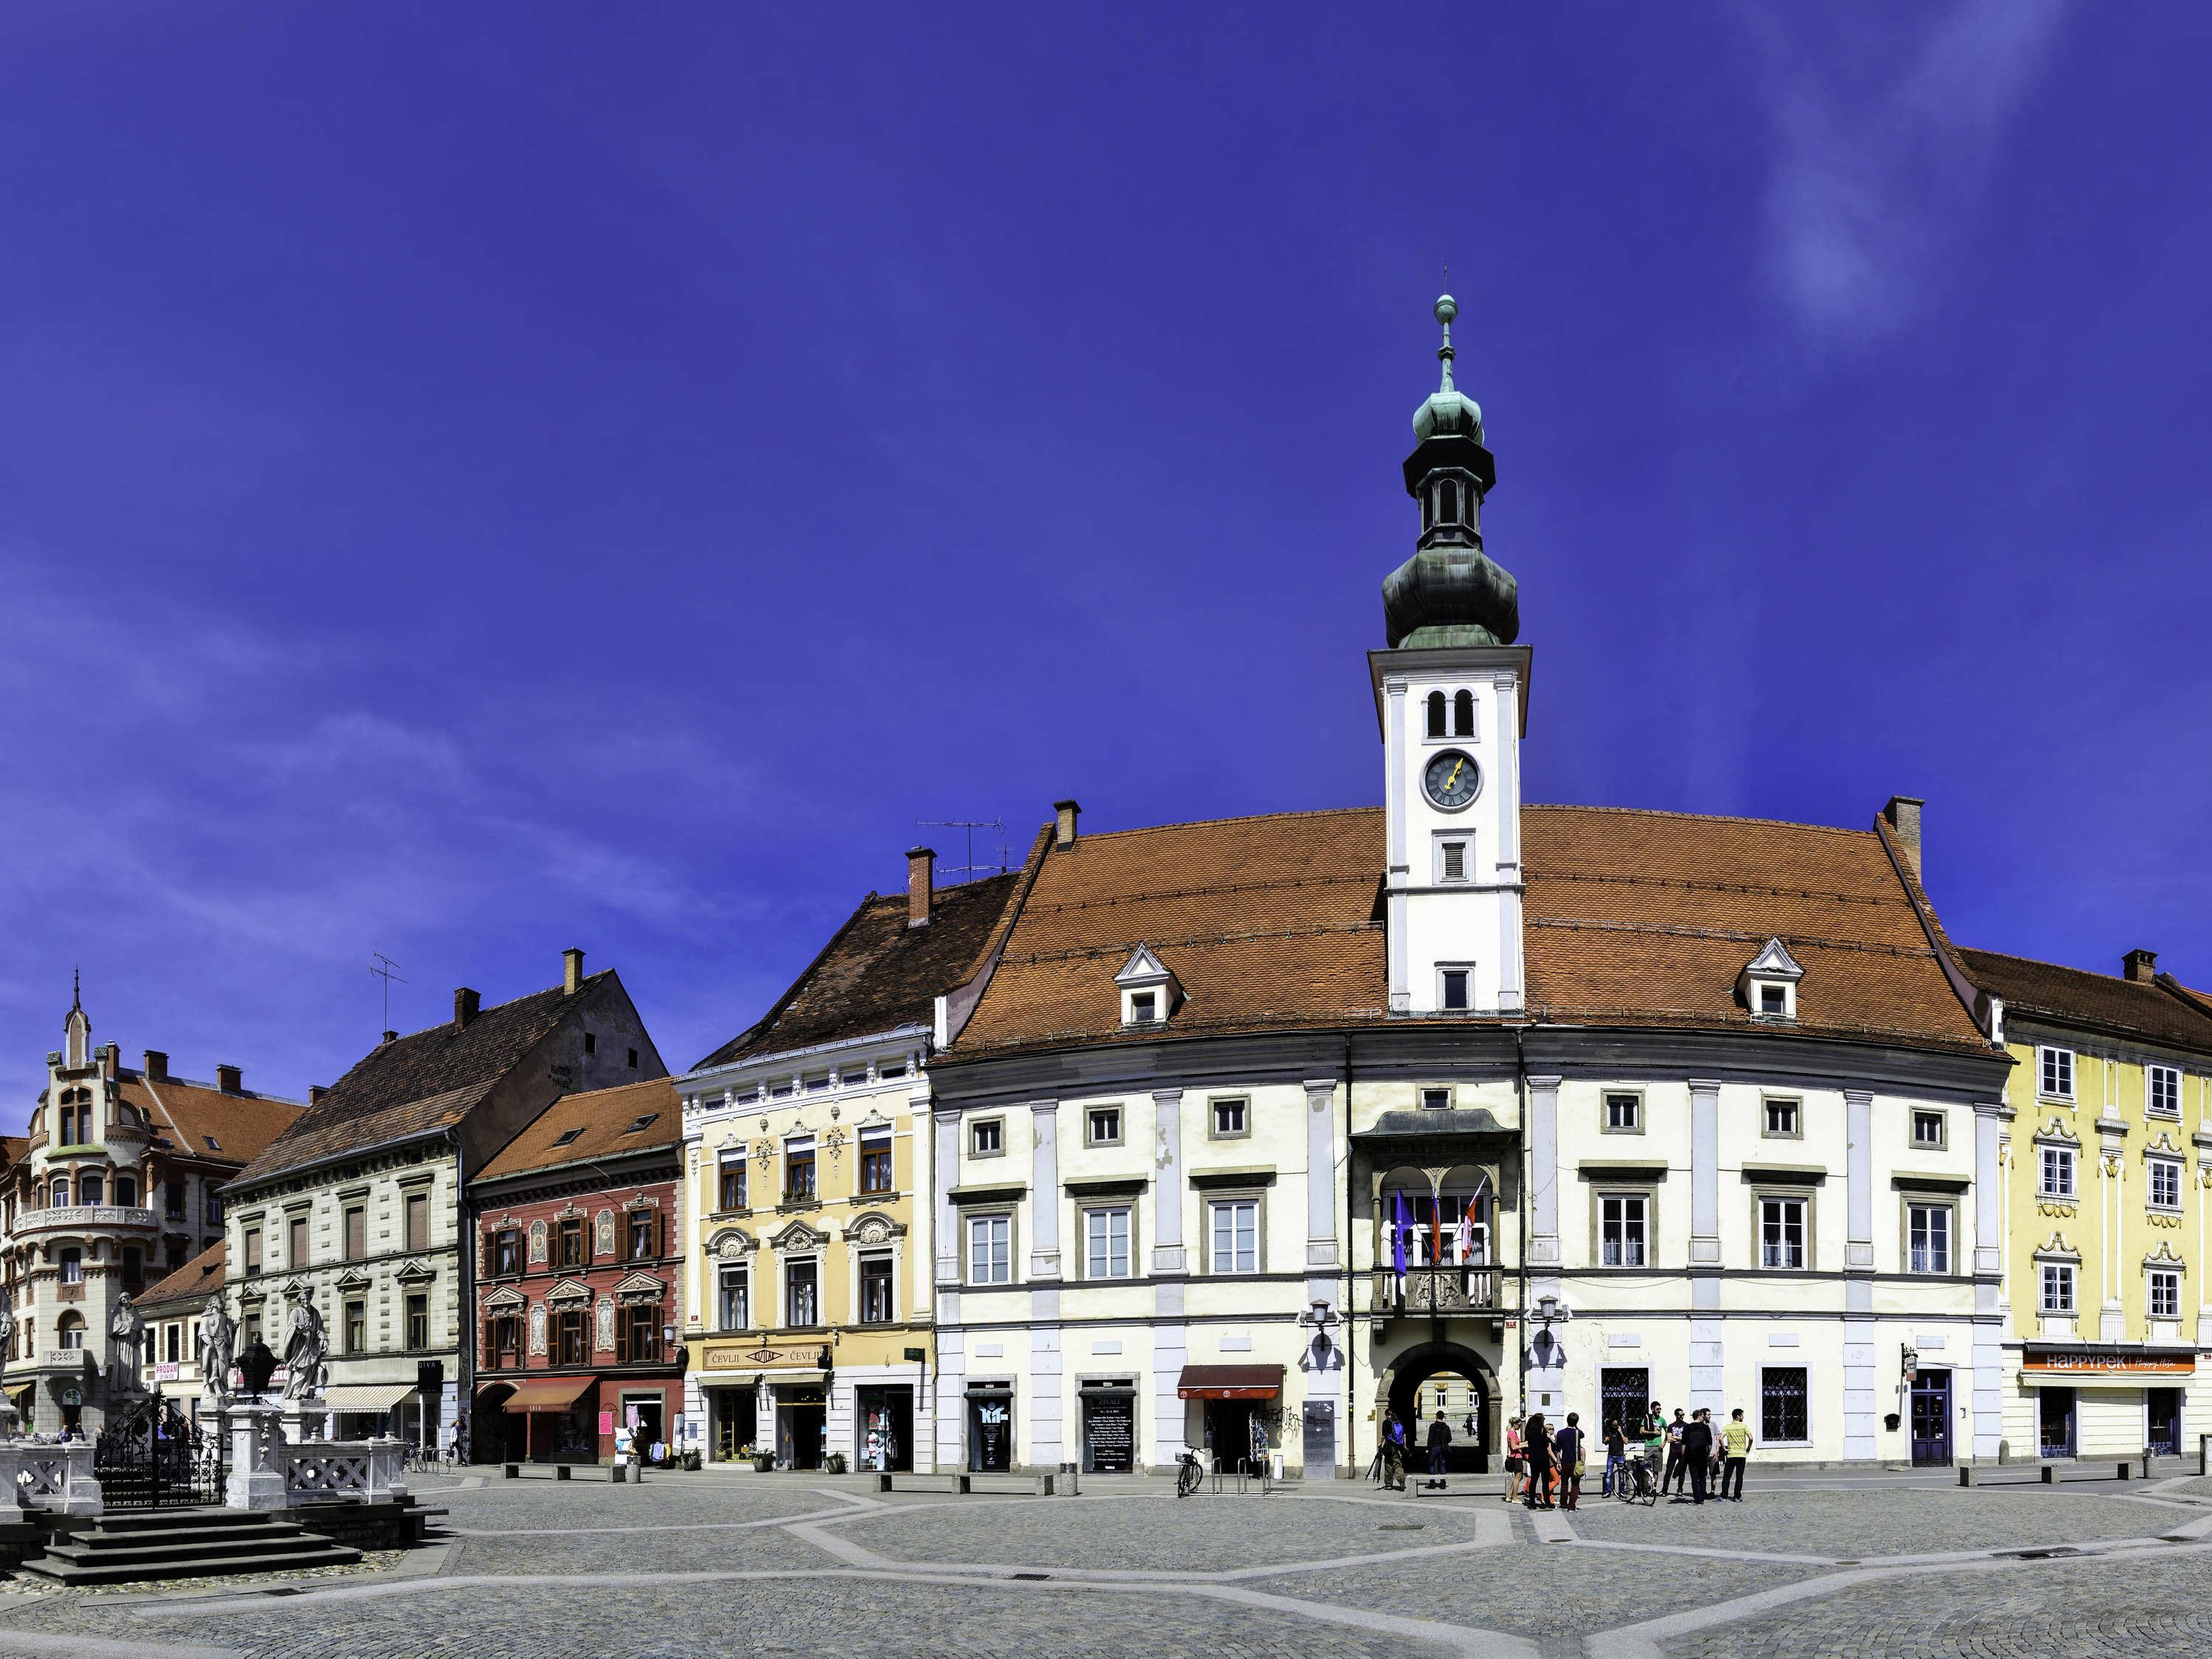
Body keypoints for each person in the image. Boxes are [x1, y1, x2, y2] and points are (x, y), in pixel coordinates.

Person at [1675, 1408, 1714, 1504]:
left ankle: (1697, 1499)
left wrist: (1684, 1455)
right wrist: (1707, 1452)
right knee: (1702, 1477)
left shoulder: (1688, 1427)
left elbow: (1683, 1444)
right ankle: (1702, 1497)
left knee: (1694, 1477)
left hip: (1692, 1455)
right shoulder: (1705, 1427)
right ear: (1700, 1417)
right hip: (1703, 1455)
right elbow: (1710, 1443)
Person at [1719, 1408, 1753, 1500]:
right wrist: (1748, 1448)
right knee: (1739, 1477)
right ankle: (1737, 1496)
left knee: (1727, 1476)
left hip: (1731, 1455)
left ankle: (1723, 1496)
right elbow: (1751, 1438)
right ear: (1738, 1416)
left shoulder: (1727, 1427)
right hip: (1741, 1455)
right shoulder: (1744, 1426)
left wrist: (1724, 1448)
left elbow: (1720, 1438)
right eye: (1742, 1415)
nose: (1743, 1416)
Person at [1522, 1411, 1554, 1509]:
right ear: (1540, 1420)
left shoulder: (1529, 1431)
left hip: (1533, 1458)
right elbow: (1545, 1444)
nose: (1544, 1420)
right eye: (1543, 1419)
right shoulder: (1542, 1430)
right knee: (1545, 1481)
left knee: (1534, 1480)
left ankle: (1532, 1503)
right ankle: (1547, 1502)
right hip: (1543, 1458)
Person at [1554, 1412, 1585, 1512]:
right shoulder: (1578, 1433)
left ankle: (1563, 1504)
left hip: (1565, 1461)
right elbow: (1582, 1434)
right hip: (1576, 1462)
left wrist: (1558, 1462)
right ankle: (1572, 1506)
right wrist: (1576, 1426)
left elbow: (1558, 1450)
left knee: (1564, 1484)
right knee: (1575, 1485)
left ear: (1567, 1420)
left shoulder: (1560, 1433)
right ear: (1576, 1422)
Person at [1661, 1407, 1689, 1494]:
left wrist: (1676, 1437)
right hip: (1673, 1451)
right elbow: (1669, 1439)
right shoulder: (1671, 1426)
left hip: (1683, 1452)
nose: (1682, 1416)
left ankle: (1680, 1490)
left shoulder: (1686, 1426)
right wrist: (1681, 1439)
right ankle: (1664, 1490)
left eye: (1683, 1415)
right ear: (1676, 1416)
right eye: (1681, 1415)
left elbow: (1687, 1439)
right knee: (1668, 1472)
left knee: (1682, 1472)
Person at [1501, 1414, 1524, 1503]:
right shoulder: (1511, 1433)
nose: (1520, 1426)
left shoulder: (1513, 1432)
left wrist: (1524, 1443)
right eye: (1519, 1425)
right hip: (1516, 1457)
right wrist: (1525, 1445)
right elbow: (1514, 1447)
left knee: (1518, 1477)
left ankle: (1509, 1496)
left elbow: (1516, 1445)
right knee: (1518, 1477)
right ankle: (1515, 1498)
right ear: (1515, 1424)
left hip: (1517, 1456)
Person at [1601, 1416, 1627, 1498]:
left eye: (1616, 1425)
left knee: (1621, 1475)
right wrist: (1606, 1440)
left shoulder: (1622, 1430)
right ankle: (1608, 1492)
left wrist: (1621, 1433)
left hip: (1620, 1455)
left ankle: (1622, 1492)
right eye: (1613, 1425)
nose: (1615, 1427)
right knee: (1609, 1474)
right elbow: (1605, 1442)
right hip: (1611, 1455)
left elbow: (1626, 1442)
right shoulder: (1609, 1431)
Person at [1382, 1411, 1408, 1491]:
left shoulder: (1386, 1422)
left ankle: (1389, 1484)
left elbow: (1383, 1435)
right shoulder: (1398, 1422)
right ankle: (1402, 1481)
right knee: (1397, 1465)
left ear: (1386, 1415)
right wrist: (1404, 1446)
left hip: (1389, 1446)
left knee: (1388, 1465)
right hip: (1398, 1447)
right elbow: (1404, 1435)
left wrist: (1380, 1444)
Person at [1425, 1408, 1453, 1477]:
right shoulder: (1447, 1427)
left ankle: (1432, 1483)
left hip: (1434, 1447)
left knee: (1431, 1464)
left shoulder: (1432, 1426)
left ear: (1436, 1416)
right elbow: (1450, 1439)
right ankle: (1443, 1484)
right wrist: (1445, 1442)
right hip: (1443, 1448)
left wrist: (1427, 1448)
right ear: (1443, 1417)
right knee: (1442, 1465)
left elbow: (1430, 1438)